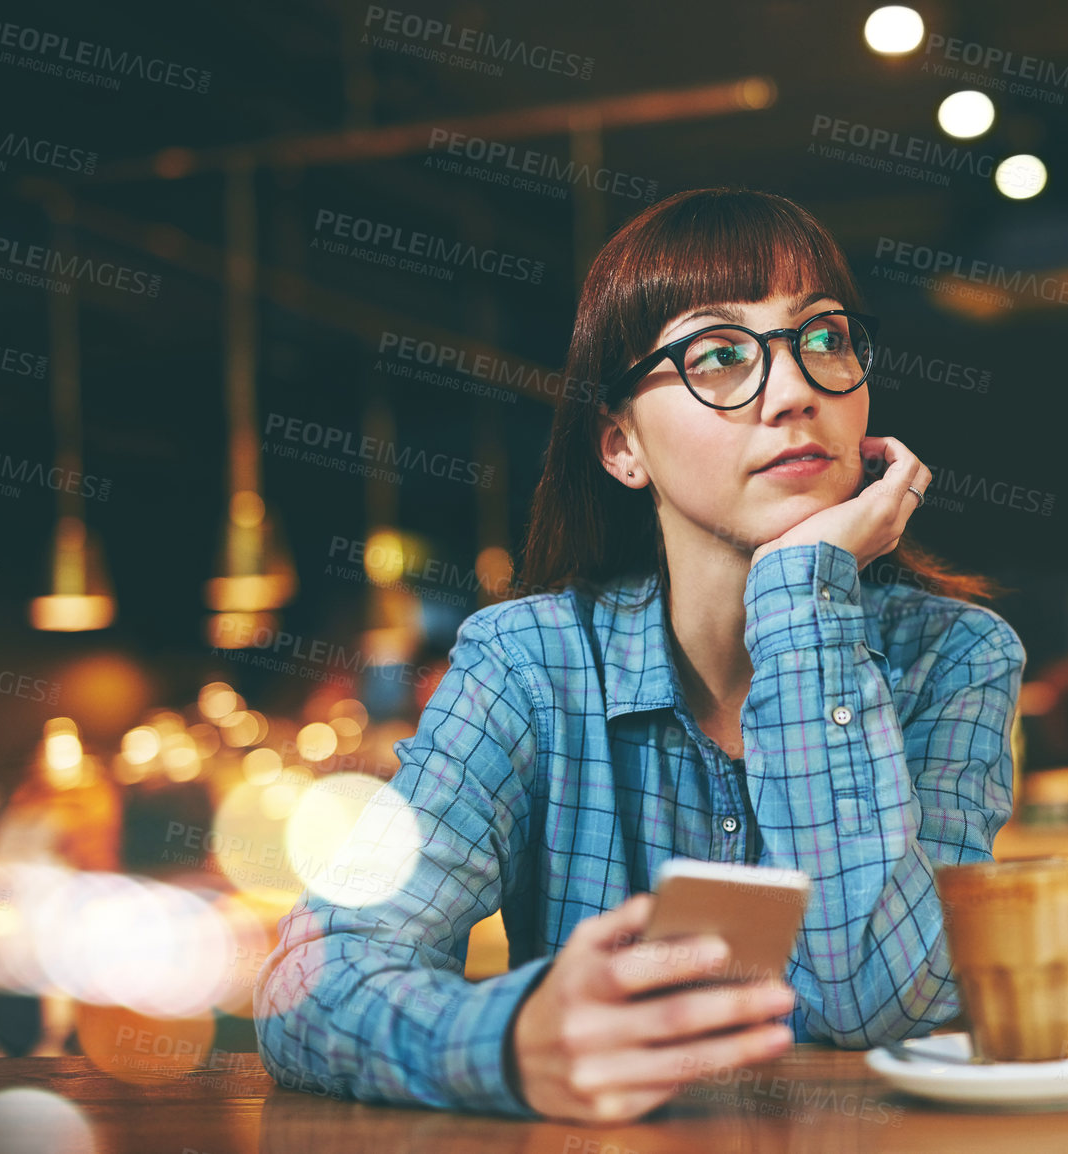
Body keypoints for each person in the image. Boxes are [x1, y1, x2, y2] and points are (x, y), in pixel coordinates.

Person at [252, 187, 1028, 1122]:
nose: (794, 392)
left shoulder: (955, 658)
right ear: (622, 446)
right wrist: (505, 1040)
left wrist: (804, 597)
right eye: (719, 355)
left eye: (823, 338)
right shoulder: (529, 664)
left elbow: (880, 1001)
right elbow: (310, 978)